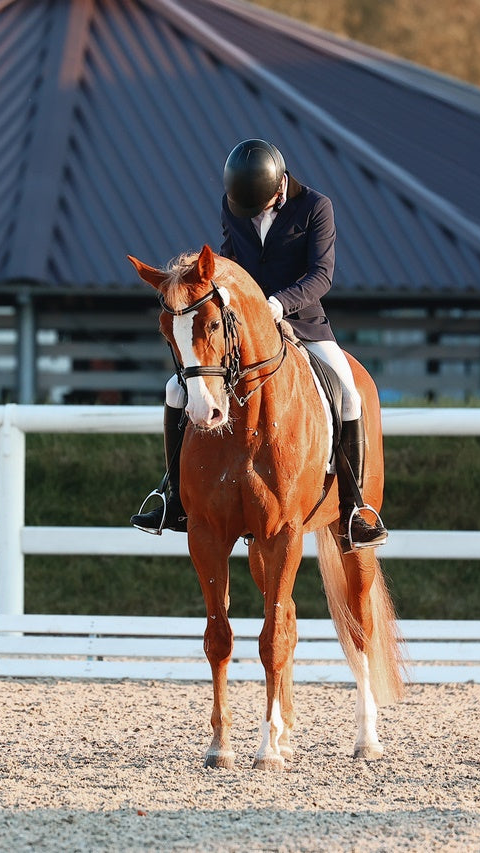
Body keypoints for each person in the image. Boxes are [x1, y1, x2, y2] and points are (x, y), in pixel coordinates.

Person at [130, 138, 388, 551]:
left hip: (304, 322)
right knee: (176, 389)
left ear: (279, 185)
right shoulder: (235, 204)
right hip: (244, 328)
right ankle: (173, 497)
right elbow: (229, 263)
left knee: (350, 396)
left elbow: (322, 275)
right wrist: (226, 298)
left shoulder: (316, 207)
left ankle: (355, 508)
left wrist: (279, 303)